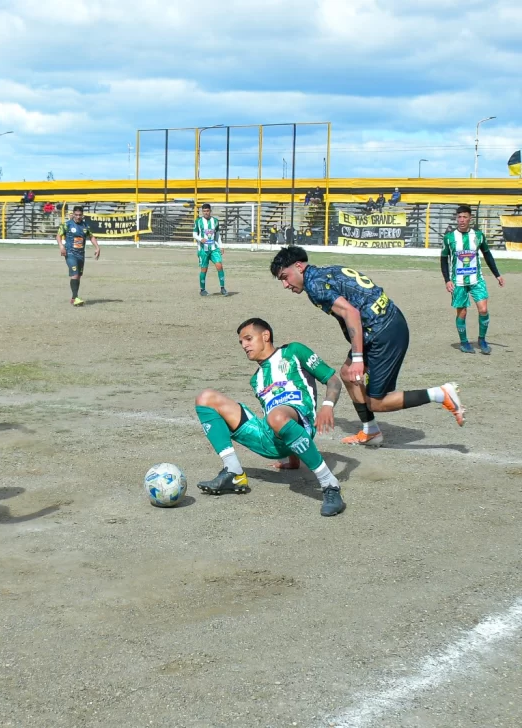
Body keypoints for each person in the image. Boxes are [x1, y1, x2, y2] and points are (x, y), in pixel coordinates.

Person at [270, 245, 465, 447]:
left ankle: (441, 394)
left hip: (383, 332)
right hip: (385, 323)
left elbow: (351, 313)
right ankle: (371, 430)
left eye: (285, 277)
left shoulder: (315, 286)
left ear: (299, 266)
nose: (285, 284)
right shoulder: (324, 272)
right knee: (347, 374)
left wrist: (358, 358)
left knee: (377, 402)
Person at [195, 318, 345, 517]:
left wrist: (327, 406)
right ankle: (233, 473)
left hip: (302, 421)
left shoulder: (294, 352)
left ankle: (329, 484)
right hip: (271, 437)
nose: (244, 345)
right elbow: (276, 418)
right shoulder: (256, 379)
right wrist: (293, 460)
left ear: (265, 335)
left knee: (276, 416)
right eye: (241, 342)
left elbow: (333, 380)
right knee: (206, 398)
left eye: (248, 339)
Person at [441, 204, 504, 355]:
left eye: (465, 217)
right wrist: (447, 280)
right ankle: (464, 342)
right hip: (458, 282)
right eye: (459, 217)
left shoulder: (478, 235)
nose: (461, 220)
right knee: (462, 313)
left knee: (483, 309)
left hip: (477, 279)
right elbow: (444, 259)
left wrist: (497, 275)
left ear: (470, 218)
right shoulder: (449, 238)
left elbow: (488, 255)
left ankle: (482, 339)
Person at [56, 205, 100, 306]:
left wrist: (97, 247)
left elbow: (91, 237)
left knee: (78, 276)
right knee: (75, 274)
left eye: (80, 215)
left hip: (81, 254)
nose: (78, 217)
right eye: (76, 215)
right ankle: (76, 298)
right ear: (73, 215)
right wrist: (61, 246)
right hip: (70, 253)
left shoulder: (85, 226)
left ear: (82, 215)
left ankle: (73, 297)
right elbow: (58, 235)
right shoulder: (67, 225)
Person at [193, 203, 228, 296]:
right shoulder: (198, 221)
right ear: (202, 212)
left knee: (219, 266)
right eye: (204, 211)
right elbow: (194, 234)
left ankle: (222, 288)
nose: (206, 213)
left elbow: (217, 235)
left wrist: (221, 246)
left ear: (210, 211)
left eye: (207, 211)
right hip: (203, 250)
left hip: (213, 248)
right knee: (204, 269)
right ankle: (202, 290)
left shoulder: (215, 221)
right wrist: (201, 239)